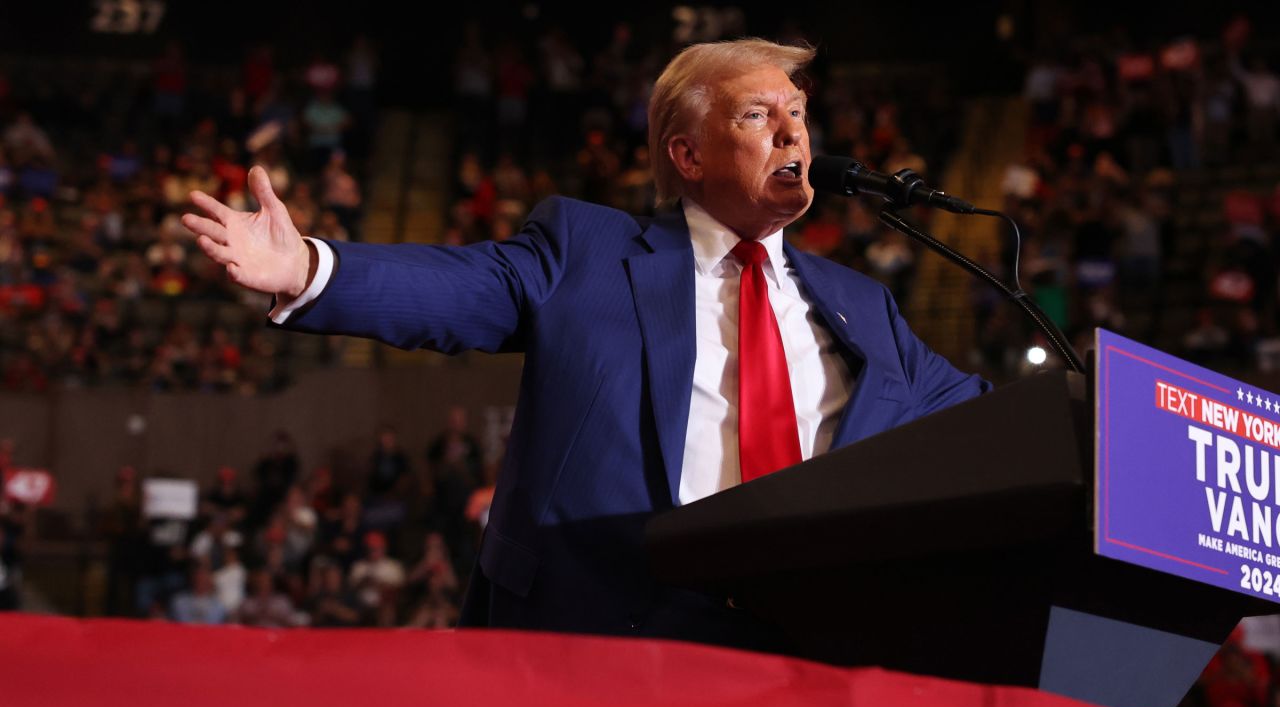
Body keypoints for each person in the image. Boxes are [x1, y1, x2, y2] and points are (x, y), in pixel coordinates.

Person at [182, 38, 988, 651]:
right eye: (756, 116)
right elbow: (460, 289)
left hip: (807, 646)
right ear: (688, 154)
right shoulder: (588, 253)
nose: (792, 133)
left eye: (798, 115)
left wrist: (1100, 407)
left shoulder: (863, 307)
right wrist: (308, 267)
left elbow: (992, 423)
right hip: (613, 637)